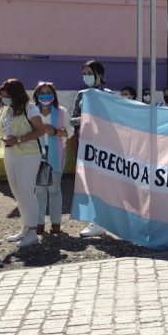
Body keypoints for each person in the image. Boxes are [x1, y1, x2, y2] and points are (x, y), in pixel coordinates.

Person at [0, 79, 47, 249]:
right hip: (10, 152)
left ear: (15, 94)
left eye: (6, 95)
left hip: (29, 154)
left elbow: (40, 131)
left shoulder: (30, 107)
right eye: (2, 95)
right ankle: (25, 228)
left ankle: (33, 232)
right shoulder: (7, 109)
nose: (4, 98)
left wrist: (18, 140)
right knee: (17, 193)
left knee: (26, 192)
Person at [71, 59, 113, 238]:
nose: (86, 76)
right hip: (85, 145)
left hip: (104, 145)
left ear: (100, 74)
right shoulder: (82, 94)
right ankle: (96, 219)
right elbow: (73, 119)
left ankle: (104, 220)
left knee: (104, 182)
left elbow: (114, 120)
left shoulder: (109, 95)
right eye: (84, 73)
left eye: (90, 73)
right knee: (89, 182)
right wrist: (85, 119)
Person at [32, 82, 73, 234]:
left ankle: (56, 223)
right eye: (42, 92)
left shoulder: (61, 111)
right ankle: (39, 223)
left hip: (57, 153)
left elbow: (70, 132)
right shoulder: (32, 111)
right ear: (37, 95)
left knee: (54, 188)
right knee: (40, 189)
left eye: (48, 92)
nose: (45, 95)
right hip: (37, 153)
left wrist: (55, 132)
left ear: (54, 94)